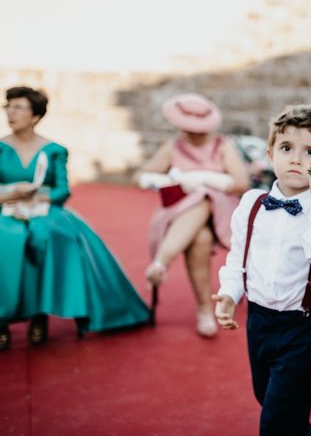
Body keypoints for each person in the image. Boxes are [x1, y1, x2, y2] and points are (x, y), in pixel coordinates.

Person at [213, 104, 311, 436]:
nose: (296, 159)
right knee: (270, 399)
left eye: (310, 151)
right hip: (257, 321)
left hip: (302, 327)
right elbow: (237, 258)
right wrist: (229, 294)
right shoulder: (251, 203)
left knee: (276, 418)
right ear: (270, 153)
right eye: (286, 148)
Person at [0, 86, 150, 350]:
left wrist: (41, 197)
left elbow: (62, 189)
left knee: (45, 235)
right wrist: (11, 193)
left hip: (41, 209)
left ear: (35, 116)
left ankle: (39, 314)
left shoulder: (54, 149)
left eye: (18, 107)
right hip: (5, 208)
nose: (10, 112)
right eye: (8, 106)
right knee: (6, 239)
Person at [133, 93, 250, 338]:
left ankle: (161, 262)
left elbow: (242, 183)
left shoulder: (223, 145)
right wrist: (168, 180)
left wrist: (205, 180)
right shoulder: (173, 146)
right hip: (182, 214)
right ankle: (204, 310)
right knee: (200, 240)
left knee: (204, 196)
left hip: (221, 211)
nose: (192, 133)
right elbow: (140, 177)